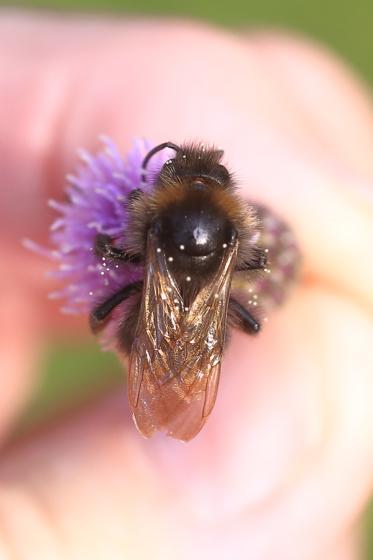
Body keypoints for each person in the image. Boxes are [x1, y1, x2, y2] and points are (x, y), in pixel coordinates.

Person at [1, 12, 373, 559]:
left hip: (154, 310)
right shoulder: (235, 243)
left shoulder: (149, 230)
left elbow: (126, 253)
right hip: (184, 312)